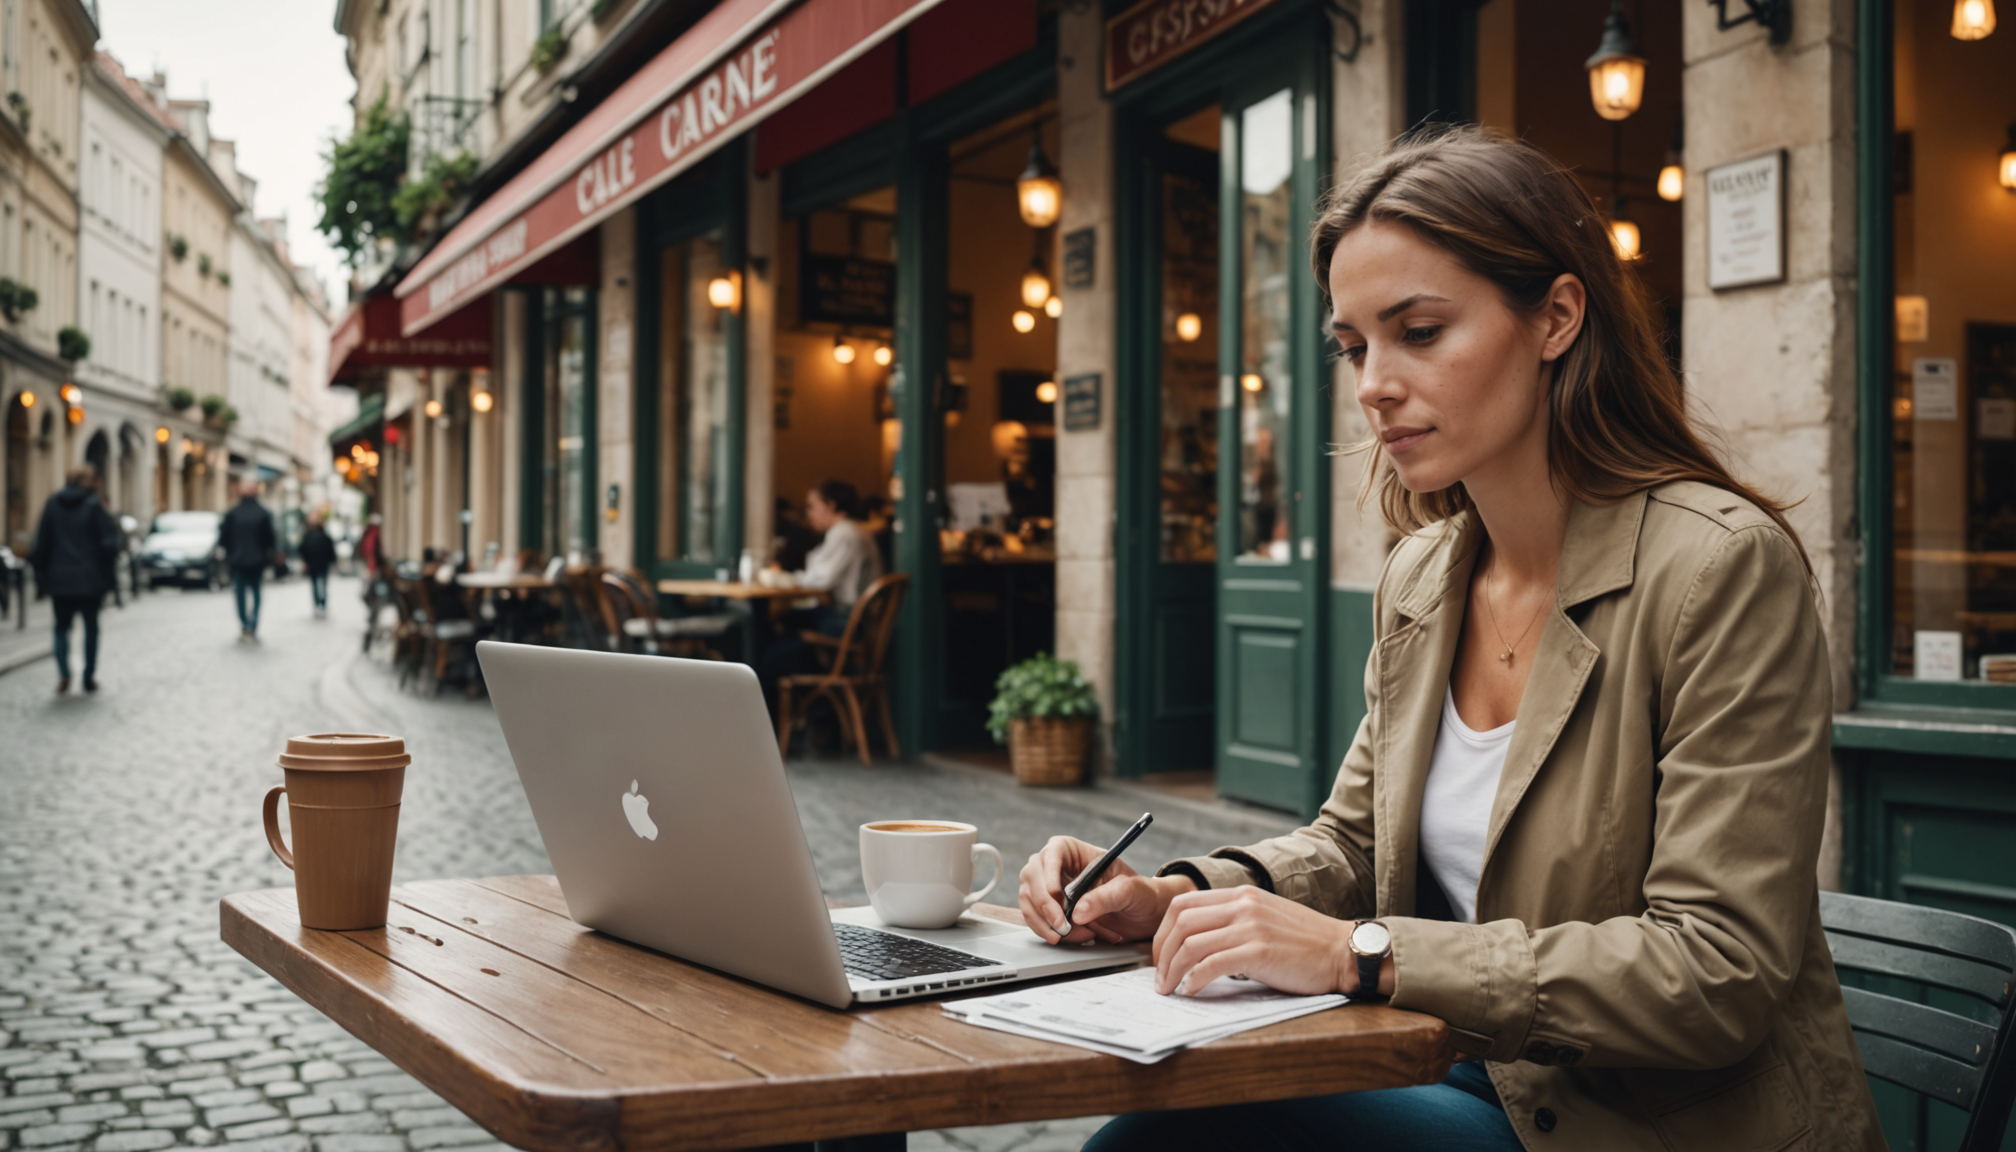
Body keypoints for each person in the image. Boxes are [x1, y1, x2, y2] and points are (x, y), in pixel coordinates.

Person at [1019, 126, 1884, 1151]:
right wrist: (1178, 895)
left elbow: (1713, 973)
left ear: (1557, 316)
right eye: (1352, 346)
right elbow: (1348, 843)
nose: (1373, 382)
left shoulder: (1720, 568)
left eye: (1419, 331)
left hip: (1641, 1122)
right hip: (1462, 1076)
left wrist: (1360, 955)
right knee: (1164, 1120)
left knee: (1163, 1139)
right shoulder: (1426, 575)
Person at [758, 479, 884, 719]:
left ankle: (808, 705)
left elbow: (819, 580)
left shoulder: (845, 534)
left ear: (831, 505)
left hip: (849, 623)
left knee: (776, 636)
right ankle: (812, 706)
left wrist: (780, 578)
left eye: (812, 506)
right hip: (854, 620)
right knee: (785, 627)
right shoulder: (851, 532)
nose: (809, 513)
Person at [29, 468, 120, 695]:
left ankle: (64, 673)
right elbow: (109, 545)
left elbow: (41, 543)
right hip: (90, 581)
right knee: (91, 628)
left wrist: (41, 577)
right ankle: (89, 675)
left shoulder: (52, 504)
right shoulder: (94, 505)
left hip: (60, 580)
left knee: (61, 628)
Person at [217, 480, 278, 641]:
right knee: (256, 592)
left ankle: (244, 624)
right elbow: (270, 539)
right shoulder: (263, 513)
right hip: (257, 560)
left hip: (237, 561)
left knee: (240, 593)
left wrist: (230, 552)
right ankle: (253, 623)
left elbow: (223, 538)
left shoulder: (232, 513)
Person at [299, 512, 337, 618]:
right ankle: (322, 605)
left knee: (315, 585)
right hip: (322, 564)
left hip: (313, 564)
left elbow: (302, 550)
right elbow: (331, 550)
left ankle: (318, 605)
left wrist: (305, 561)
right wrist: (332, 561)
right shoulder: (324, 535)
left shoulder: (307, 535)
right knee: (323, 585)